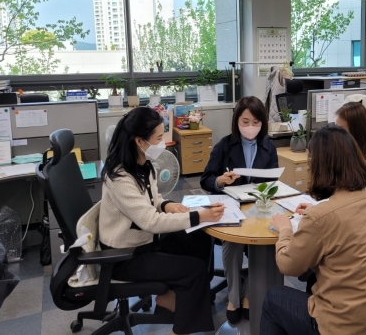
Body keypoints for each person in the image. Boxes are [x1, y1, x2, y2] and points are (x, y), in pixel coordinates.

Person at [261, 125, 366, 335]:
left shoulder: (322, 217)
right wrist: (319, 211)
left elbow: (288, 265)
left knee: (273, 299)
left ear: (319, 165)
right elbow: (351, 220)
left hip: (349, 328)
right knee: (314, 279)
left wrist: (285, 230)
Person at [99, 107, 225, 335]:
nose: (162, 143)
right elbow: (151, 221)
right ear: (139, 141)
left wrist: (167, 205)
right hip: (123, 256)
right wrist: (198, 216)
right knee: (193, 269)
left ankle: (170, 299)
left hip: (143, 242)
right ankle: (182, 328)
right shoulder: (119, 177)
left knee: (198, 236)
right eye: (158, 138)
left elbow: (152, 198)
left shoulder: (142, 165)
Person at [200, 96, 278, 324]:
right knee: (232, 244)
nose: (250, 127)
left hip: (259, 209)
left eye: (256, 122)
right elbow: (206, 179)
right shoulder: (225, 145)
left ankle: (249, 295)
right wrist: (221, 181)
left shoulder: (269, 146)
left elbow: (273, 181)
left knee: (263, 244)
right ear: (236, 121)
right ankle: (234, 297)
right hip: (230, 208)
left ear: (262, 122)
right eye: (245, 122)